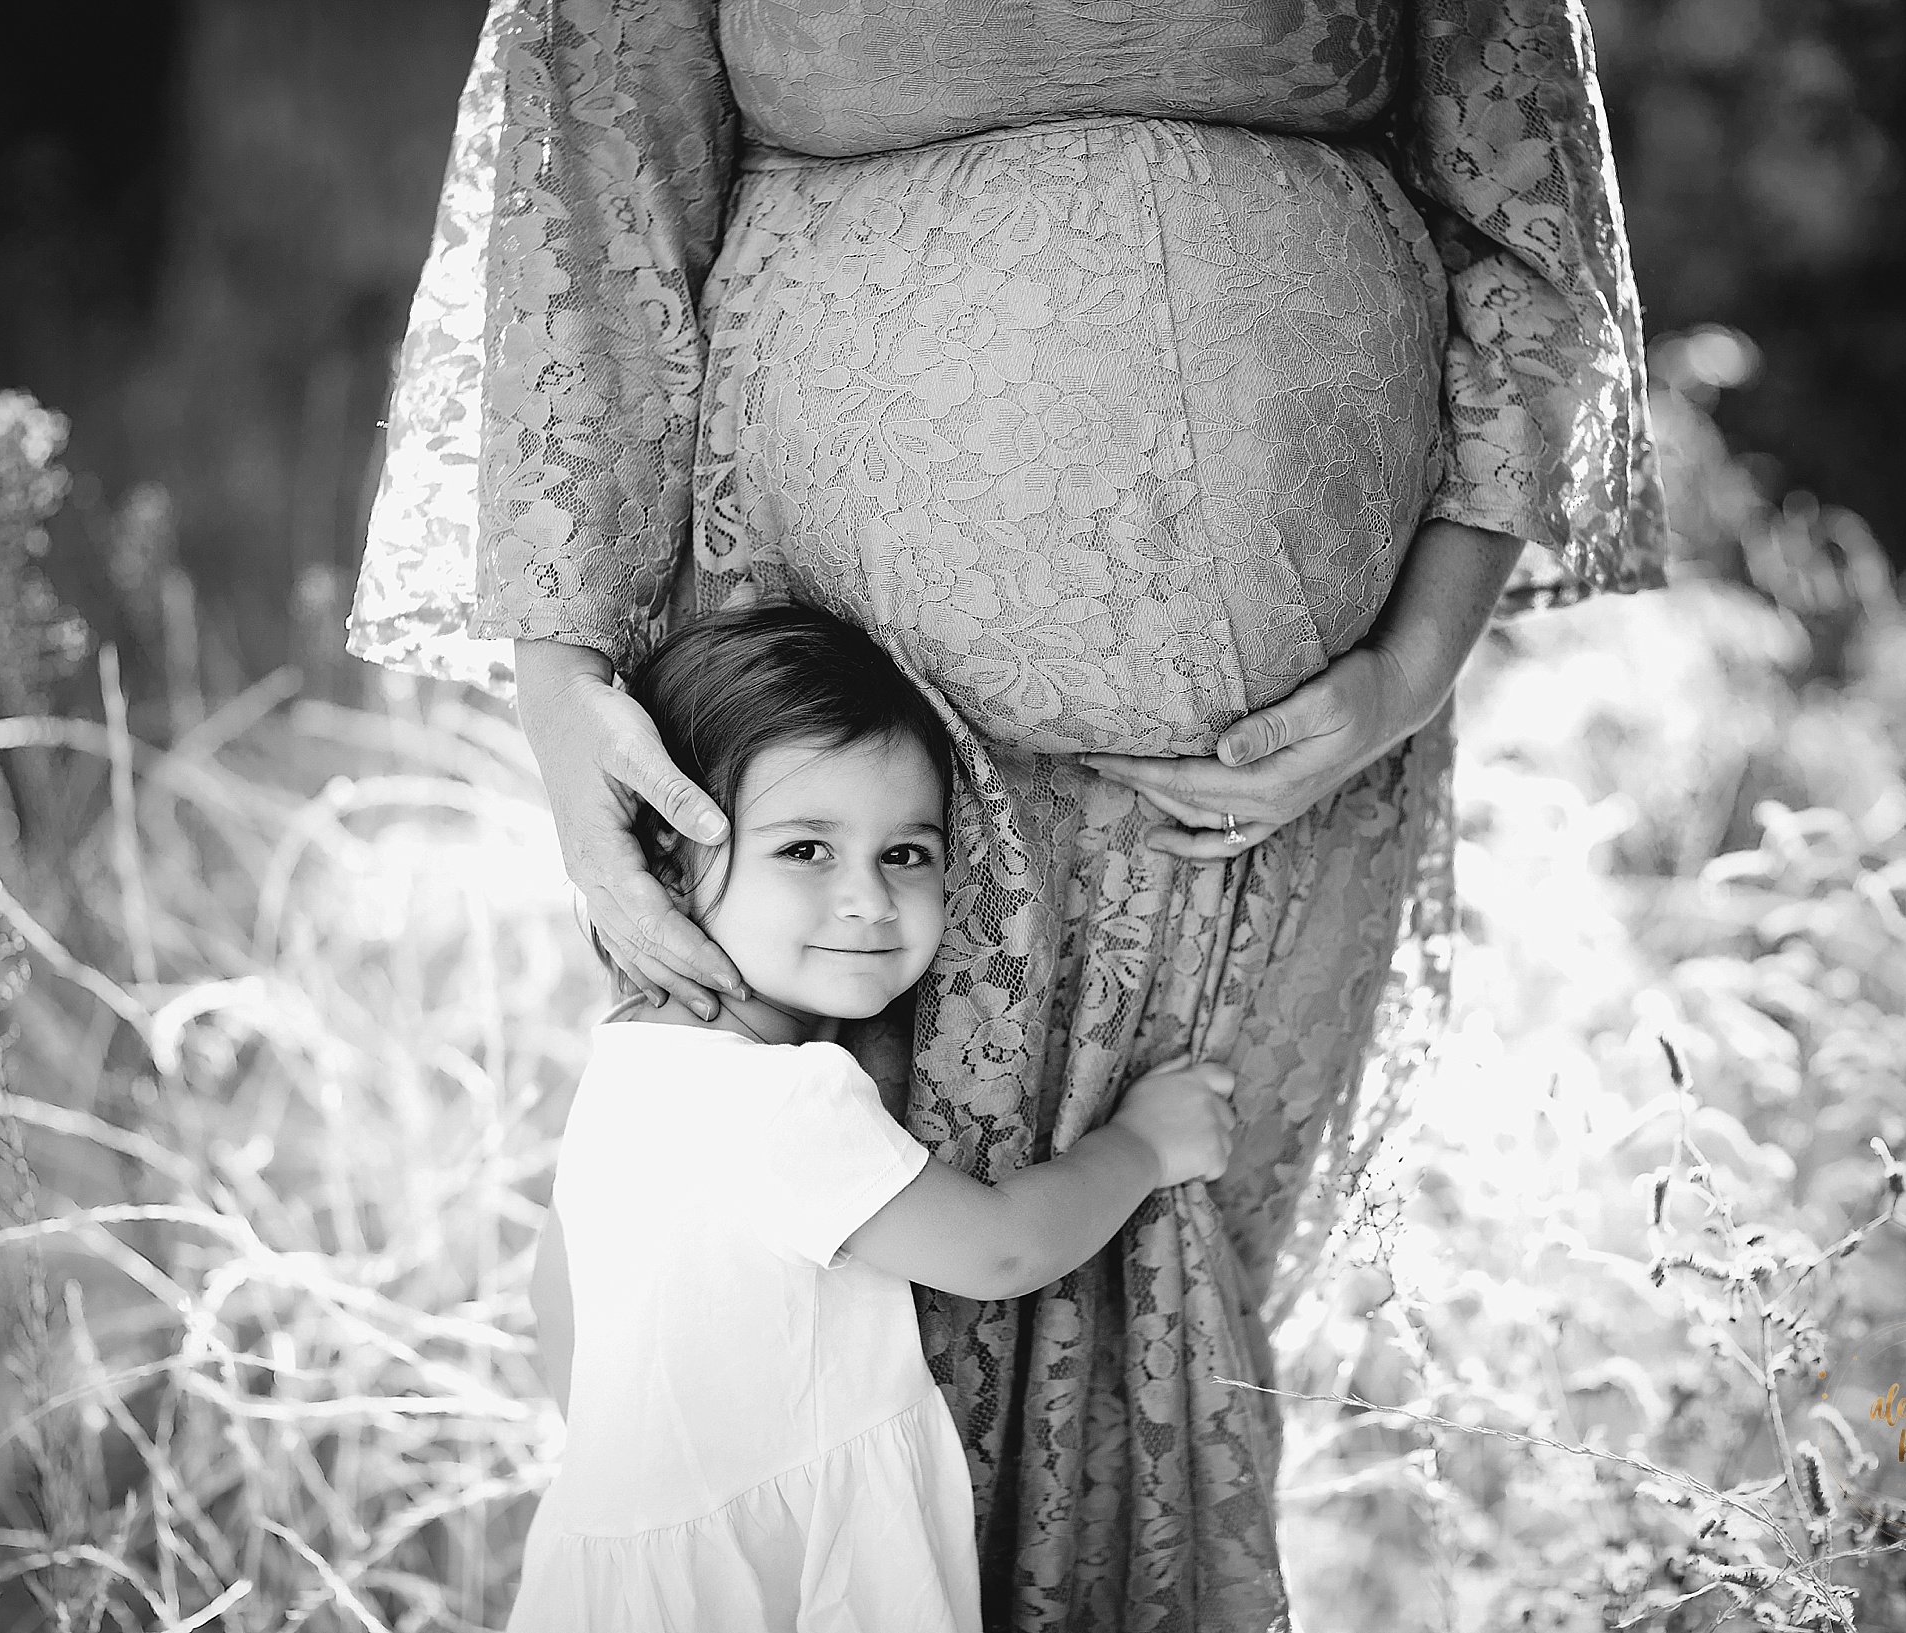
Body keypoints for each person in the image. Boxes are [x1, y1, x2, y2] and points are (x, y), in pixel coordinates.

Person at [350, 2, 1666, 1625]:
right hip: (831, 683)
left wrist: (1411, 664)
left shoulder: (648, 1097)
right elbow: (589, 179)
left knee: (1172, 1333)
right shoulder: (762, 1022)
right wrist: (562, 690)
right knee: (930, 1315)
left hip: (1259, 806)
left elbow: (1532, 204)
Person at [512, 602, 1239, 1632]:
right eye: (805, 849)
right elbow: (994, 1252)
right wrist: (1143, 1143)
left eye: (905, 853)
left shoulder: (629, 1064)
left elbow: (556, 1305)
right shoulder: (784, 1098)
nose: (865, 898)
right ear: (666, 863)